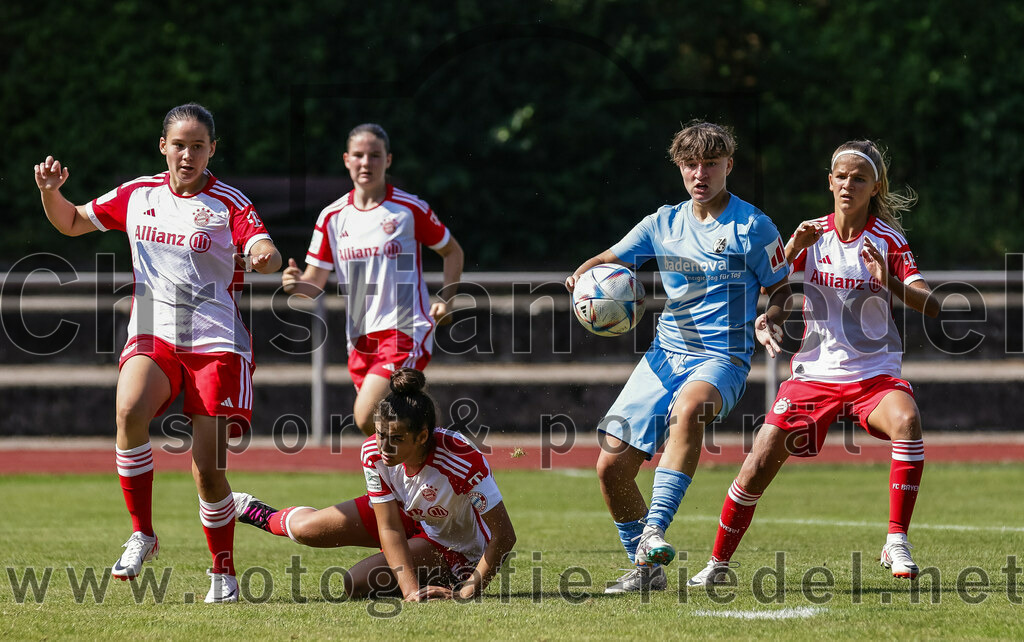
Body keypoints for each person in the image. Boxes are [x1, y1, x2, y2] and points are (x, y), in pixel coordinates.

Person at [34, 103, 283, 603]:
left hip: (216, 343)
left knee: (208, 468)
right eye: (179, 144)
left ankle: (223, 573)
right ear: (162, 146)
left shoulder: (228, 203)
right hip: (155, 333)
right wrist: (50, 193)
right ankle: (142, 533)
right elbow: (72, 223)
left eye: (198, 145)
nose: (187, 154)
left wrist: (263, 257)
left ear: (212, 150)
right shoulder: (138, 193)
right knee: (128, 409)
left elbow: (265, 248)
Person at [688, 140, 939, 587]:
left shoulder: (890, 241)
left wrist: (891, 283)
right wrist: (780, 278)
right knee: (758, 462)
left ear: (874, 186)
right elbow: (775, 292)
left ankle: (896, 540)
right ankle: (718, 563)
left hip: (873, 376)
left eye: (859, 178)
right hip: (814, 376)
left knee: (907, 421)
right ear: (829, 181)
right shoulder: (811, 234)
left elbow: (933, 306)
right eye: (841, 176)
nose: (848, 185)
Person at [565, 121, 792, 593]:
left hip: (723, 359)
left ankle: (654, 530)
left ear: (729, 165)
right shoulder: (661, 224)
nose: (700, 173)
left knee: (688, 411)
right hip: (665, 354)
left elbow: (781, 285)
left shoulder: (754, 226)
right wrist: (581, 280)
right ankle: (647, 570)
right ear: (680, 168)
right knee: (610, 467)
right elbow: (609, 259)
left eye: (711, 163)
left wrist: (770, 316)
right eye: (691, 164)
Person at [233, 367, 516, 600]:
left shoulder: (461, 459)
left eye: (396, 439)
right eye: (380, 434)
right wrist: (410, 590)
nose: (384, 447)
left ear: (421, 437)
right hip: (406, 514)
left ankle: (432, 567)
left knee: (353, 585)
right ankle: (249, 508)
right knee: (305, 529)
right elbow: (389, 526)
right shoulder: (373, 453)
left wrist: (468, 591)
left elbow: (504, 535)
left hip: (452, 545)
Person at [281, 123, 464, 436]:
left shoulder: (408, 209)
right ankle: (447, 458)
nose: (366, 162)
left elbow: (453, 252)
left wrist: (446, 300)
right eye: (359, 155)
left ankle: (444, 452)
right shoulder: (332, 217)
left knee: (366, 416)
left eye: (375, 155)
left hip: (405, 328)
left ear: (388, 160)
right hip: (360, 339)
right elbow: (313, 285)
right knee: (388, 424)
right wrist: (293, 283)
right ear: (346, 160)